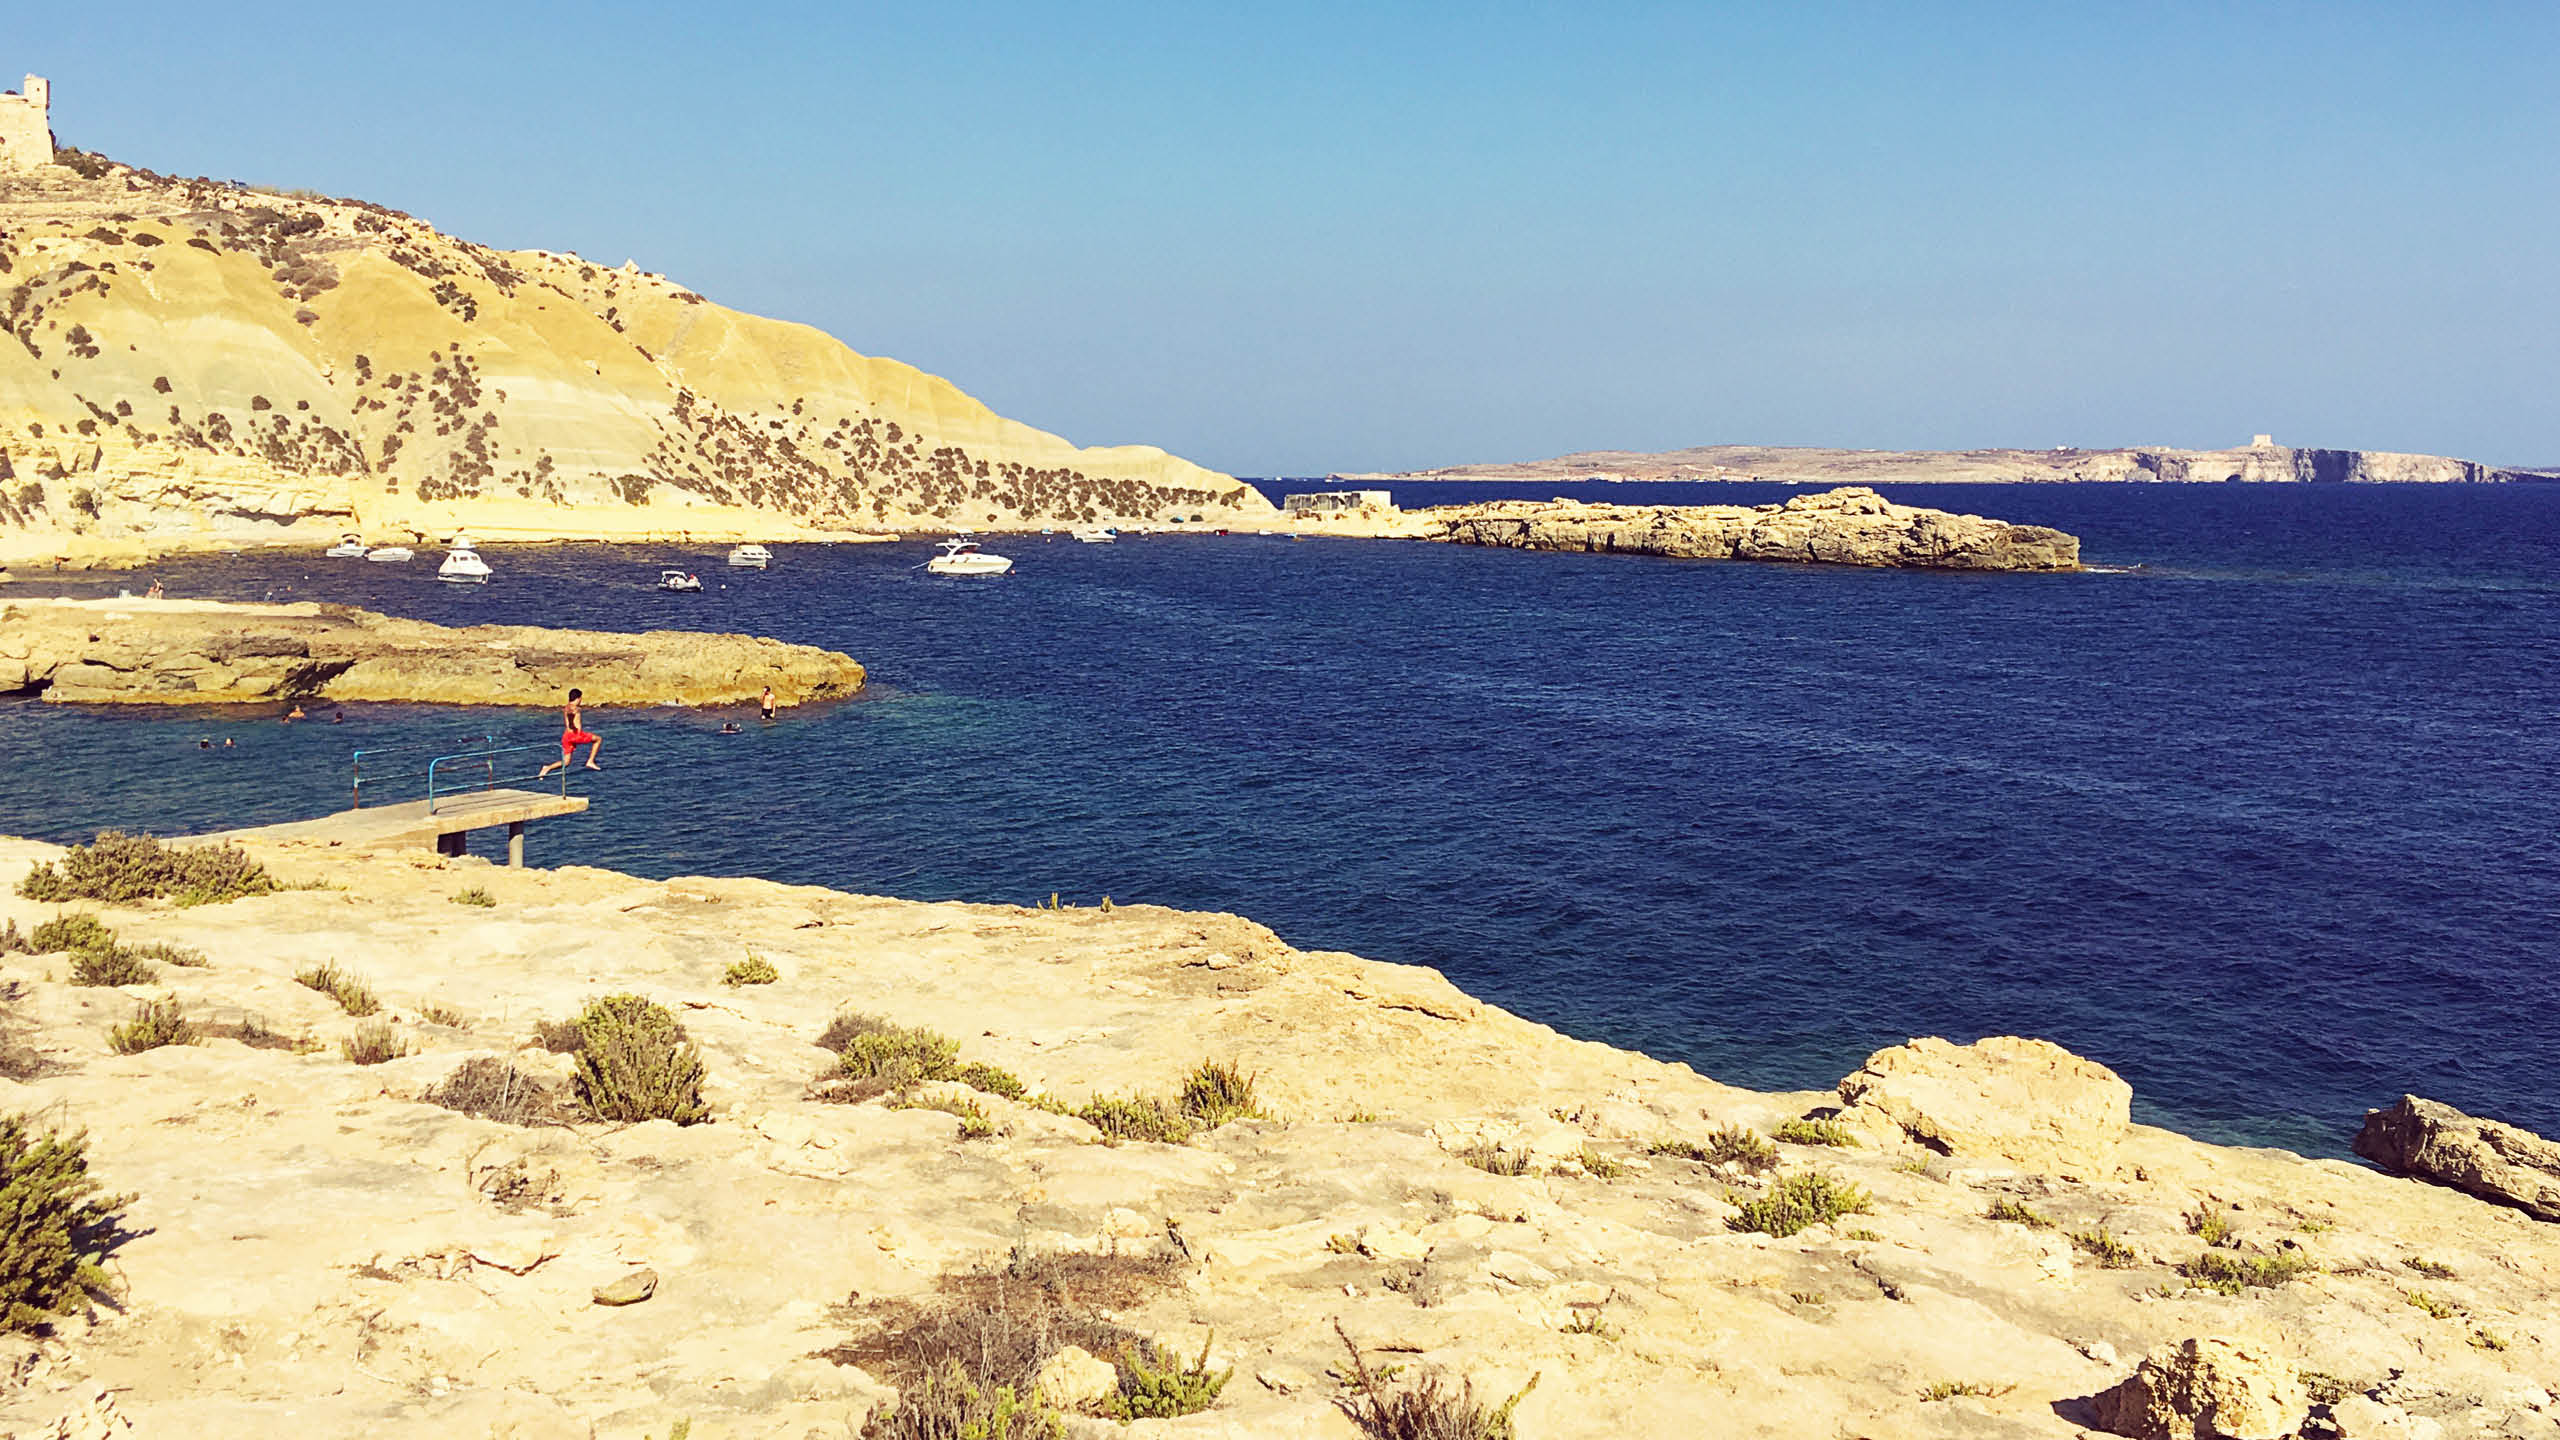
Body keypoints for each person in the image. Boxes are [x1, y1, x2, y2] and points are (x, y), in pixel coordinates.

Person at [539, 688, 602, 776]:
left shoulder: (568, 706)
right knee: (598, 739)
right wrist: (572, 717)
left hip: (567, 736)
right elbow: (570, 712)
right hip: (575, 735)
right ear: (579, 698)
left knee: (566, 762)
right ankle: (590, 761)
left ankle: (547, 768)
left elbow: (569, 711)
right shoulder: (572, 707)